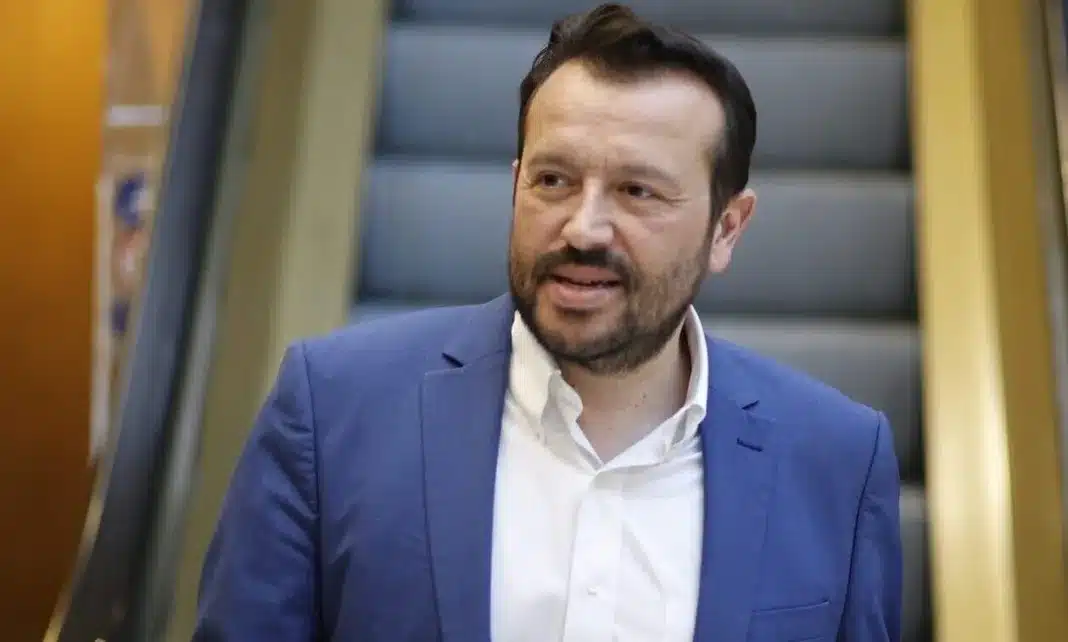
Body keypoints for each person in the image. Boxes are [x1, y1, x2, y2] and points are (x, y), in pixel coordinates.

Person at [193, 4, 902, 641]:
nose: (583, 228)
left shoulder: (835, 461)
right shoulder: (332, 409)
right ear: (515, 184)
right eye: (553, 181)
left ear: (727, 228)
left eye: (637, 191)